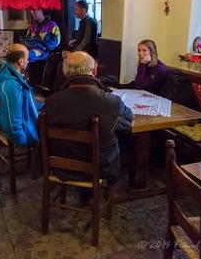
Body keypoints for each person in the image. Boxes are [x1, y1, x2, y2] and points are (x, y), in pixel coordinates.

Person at [42, 51, 133, 190]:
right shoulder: (111, 101)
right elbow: (127, 123)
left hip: (61, 168)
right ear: (95, 70)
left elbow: (39, 129)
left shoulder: (51, 102)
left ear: (66, 73)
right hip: (101, 170)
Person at [0, 43, 41, 146]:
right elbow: (12, 124)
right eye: (27, 58)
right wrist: (23, 141)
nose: (28, 61)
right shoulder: (11, 85)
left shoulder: (6, 70)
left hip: (21, 117)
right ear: (20, 62)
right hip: (21, 131)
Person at [24, 9, 61, 87]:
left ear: (41, 11)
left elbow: (56, 41)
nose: (32, 13)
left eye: (34, 11)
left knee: (28, 55)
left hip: (45, 52)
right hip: (32, 51)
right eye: (31, 12)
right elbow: (27, 38)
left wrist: (43, 47)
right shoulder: (32, 26)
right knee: (23, 54)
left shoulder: (52, 25)